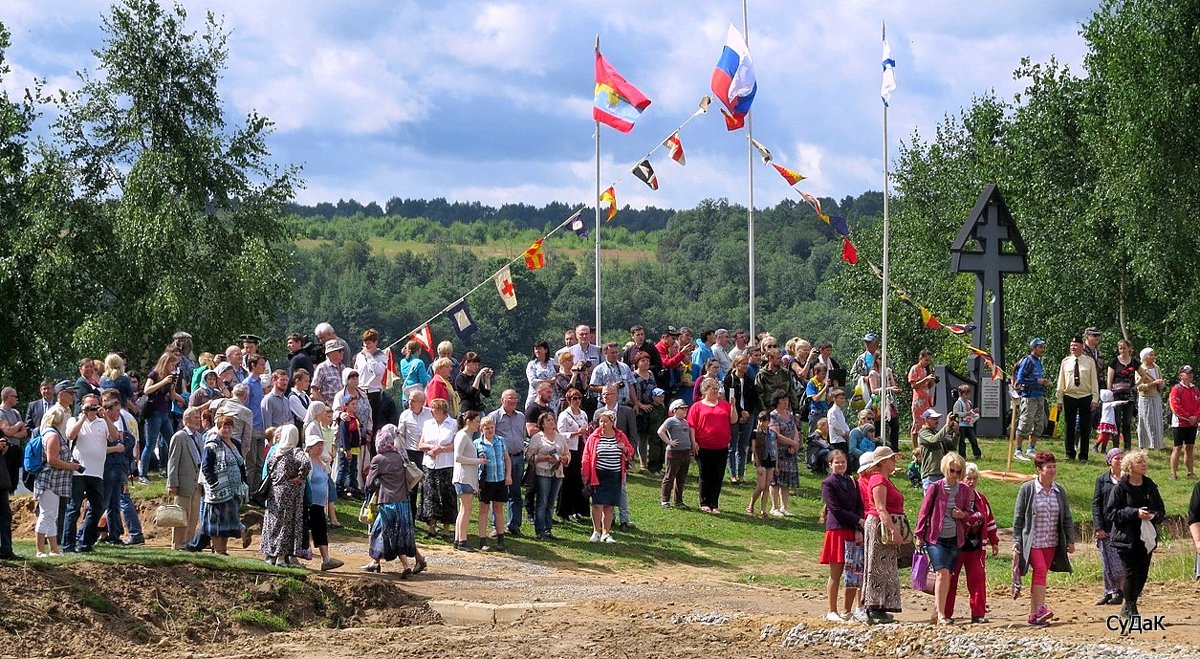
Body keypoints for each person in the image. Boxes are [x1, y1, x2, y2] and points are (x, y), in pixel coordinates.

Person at [1012, 452, 1076, 627]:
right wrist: (1016, 540)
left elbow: (1067, 517)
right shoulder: (1027, 489)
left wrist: (1070, 539)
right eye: (1049, 467)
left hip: (1052, 542)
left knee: (1040, 575)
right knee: (1039, 570)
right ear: (1039, 469)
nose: (1053, 470)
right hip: (1033, 542)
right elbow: (1018, 518)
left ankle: (1034, 616)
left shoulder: (1059, 490)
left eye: (1054, 466)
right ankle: (1041, 609)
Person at [914, 451, 974, 625]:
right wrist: (919, 534)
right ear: (945, 469)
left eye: (958, 471)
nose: (955, 474)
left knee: (947, 576)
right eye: (952, 470)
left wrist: (962, 515)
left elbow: (969, 513)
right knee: (942, 573)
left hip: (955, 538)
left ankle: (937, 610)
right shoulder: (935, 487)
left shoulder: (964, 489)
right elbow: (924, 512)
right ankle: (941, 614)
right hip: (935, 538)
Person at [1105, 449, 1165, 621]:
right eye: (1139, 462)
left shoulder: (1150, 485)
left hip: (1146, 538)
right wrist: (1134, 513)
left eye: (1144, 461)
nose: (1144, 464)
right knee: (1131, 572)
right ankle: (1130, 607)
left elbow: (1161, 509)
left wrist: (1154, 516)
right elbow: (1112, 513)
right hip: (1126, 538)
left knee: (1143, 574)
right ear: (1130, 467)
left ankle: (1129, 602)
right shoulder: (1120, 488)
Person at [362, 425, 427, 576]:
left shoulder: (378, 459)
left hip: (387, 502)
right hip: (403, 501)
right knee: (381, 530)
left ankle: (406, 567)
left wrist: (377, 484)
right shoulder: (399, 456)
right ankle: (375, 562)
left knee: (392, 534)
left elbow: (369, 483)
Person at [62, 393, 118, 553]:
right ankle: (68, 545)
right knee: (74, 508)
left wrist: (105, 417)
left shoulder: (102, 422)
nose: (92, 409)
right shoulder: (74, 420)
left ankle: (85, 543)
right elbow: (70, 435)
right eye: (89, 406)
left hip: (97, 472)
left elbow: (114, 437)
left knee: (97, 507)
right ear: (82, 406)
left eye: (95, 405)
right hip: (79, 471)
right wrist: (83, 417)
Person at [946, 462, 1000, 624]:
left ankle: (978, 614)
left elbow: (989, 521)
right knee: (951, 580)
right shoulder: (953, 497)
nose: (971, 482)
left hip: (975, 546)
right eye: (968, 478)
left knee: (977, 579)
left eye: (975, 478)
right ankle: (946, 613)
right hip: (955, 545)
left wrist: (994, 541)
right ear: (961, 478)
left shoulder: (981, 499)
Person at [858, 446, 904, 624]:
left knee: (885, 566)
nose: (894, 462)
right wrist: (893, 530)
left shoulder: (884, 479)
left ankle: (881, 605)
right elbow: (880, 508)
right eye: (892, 459)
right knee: (877, 566)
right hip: (879, 525)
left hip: (883, 523)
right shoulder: (878, 480)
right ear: (883, 462)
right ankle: (874, 607)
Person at [820, 449, 865, 623]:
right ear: (830, 464)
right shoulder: (828, 483)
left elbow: (859, 505)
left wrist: (858, 527)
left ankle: (847, 610)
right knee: (836, 571)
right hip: (837, 530)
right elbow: (835, 509)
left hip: (852, 530)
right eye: (836, 462)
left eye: (843, 462)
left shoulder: (852, 481)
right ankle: (832, 610)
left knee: (854, 571)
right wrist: (858, 521)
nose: (840, 465)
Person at [260, 425, 310, 567]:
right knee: (286, 525)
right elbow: (306, 463)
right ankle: (281, 558)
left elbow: (269, 469)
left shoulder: (276, 452)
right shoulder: (295, 452)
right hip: (290, 494)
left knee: (273, 523)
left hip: (275, 493)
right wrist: (300, 477)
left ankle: (271, 555)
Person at [581, 409, 633, 543]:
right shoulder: (594, 437)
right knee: (597, 504)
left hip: (614, 475)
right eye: (600, 421)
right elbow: (586, 456)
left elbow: (630, 452)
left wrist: (625, 449)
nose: (602, 424)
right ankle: (596, 531)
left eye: (605, 421)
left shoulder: (620, 436)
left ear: (612, 422)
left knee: (609, 506)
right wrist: (585, 474)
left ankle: (606, 533)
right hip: (598, 475)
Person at [688, 378, 737, 514]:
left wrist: (733, 406)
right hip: (703, 446)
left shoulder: (724, 405)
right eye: (713, 388)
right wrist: (693, 441)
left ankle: (714, 503)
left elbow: (733, 420)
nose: (716, 390)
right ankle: (704, 502)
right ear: (705, 390)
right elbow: (691, 425)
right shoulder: (697, 406)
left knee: (718, 475)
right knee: (705, 474)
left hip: (721, 447)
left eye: (716, 388)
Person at [201, 413, 246, 556]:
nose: (226, 430)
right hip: (217, 491)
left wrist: (244, 482)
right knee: (216, 522)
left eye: (229, 427)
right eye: (224, 427)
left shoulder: (236, 443)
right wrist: (214, 483)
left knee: (227, 521)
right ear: (218, 428)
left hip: (233, 490)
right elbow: (206, 466)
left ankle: (224, 550)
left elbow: (241, 464)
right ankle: (218, 550)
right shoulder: (212, 444)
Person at [33, 406, 76, 557]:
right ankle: (39, 550)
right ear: (59, 420)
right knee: (47, 514)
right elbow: (52, 460)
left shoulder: (49, 433)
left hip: (52, 481)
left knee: (52, 515)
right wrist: (71, 466)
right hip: (50, 480)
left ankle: (54, 549)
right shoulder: (53, 435)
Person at [488, 389, 528, 536]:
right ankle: (495, 526)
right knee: (498, 491)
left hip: (518, 457)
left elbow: (522, 435)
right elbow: (488, 437)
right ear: (502, 400)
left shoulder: (521, 417)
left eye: (515, 398)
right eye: (509, 398)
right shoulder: (494, 416)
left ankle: (514, 525)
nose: (513, 401)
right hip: (500, 459)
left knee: (516, 492)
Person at [142, 352, 186, 479]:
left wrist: (183, 399)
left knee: (172, 440)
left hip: (165, 412)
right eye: (172, 364)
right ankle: (143, 474)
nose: (174, 367)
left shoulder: (170, 376)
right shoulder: (154, 375)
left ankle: (172, 469)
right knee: (151, 443)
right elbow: (147, 390)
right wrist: (163, 382)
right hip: (154, 412)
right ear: (166, 363)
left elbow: (171, 395)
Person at [418, 398, 458, 537]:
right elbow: (421, 444)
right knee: (430, 495)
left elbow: (455, 445)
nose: (432, 412)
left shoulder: (453, 424)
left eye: (434, 410)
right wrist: (430, 448)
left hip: (446, 465)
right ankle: (432, 527)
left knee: (446, 496)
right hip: (429, 464)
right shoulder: (427, 424)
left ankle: (446, 528)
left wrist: (441, 449)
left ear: (442, 411)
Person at [1056, 336, 1100, 462]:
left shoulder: (1089, 361)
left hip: (1085, 396)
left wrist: (1095, 398)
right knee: (1069, 426)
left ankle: (1084, 455)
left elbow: (1094, 381)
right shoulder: (1065, 362)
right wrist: (1059, 399)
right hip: (1069, 396)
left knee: (1084, 427)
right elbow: (1061, 381)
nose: (1072, 347)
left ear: (1082, 347)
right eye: (1071, 345)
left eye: (1075, 345)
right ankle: (1069, 454)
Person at [1092, 447, 1126, 606]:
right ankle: (1109, 591)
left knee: (1120, 561)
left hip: (1123, 527)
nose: (1120, 461)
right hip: (1106, 526)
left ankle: (1121, 591)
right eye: (1117, 458)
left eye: (1122, 458)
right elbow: (1096, 504)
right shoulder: (1102, 480)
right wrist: (1098, 527)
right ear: (1109, 461)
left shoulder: (1128, 479)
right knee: (1107, 562)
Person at [303, 435, 343, 570]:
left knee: (321, 530)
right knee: (305, 530)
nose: (320, 447)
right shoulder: (307, 462)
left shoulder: (321, 462)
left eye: (321, 445)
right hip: (310, 503)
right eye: (317, 445)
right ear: (310, 447)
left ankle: (326, 560)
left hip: (320, 505)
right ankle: (294, 557)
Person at [527, 412, 568, 540]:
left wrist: (561, 458)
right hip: (542, 473)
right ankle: (539, 530)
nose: (551, 422)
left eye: (552, 419)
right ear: (542, 424)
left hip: (558, 473)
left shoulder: (560, 438)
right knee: (542, 501)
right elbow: (529, 457)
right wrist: (545, 458)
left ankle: (548, 529)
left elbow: (567, 454)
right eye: (548, 420)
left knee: (551, 502)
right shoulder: (537, 438)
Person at [474, 416, 511, 551]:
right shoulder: (477, 443)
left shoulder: (501, 441)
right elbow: (475, 464)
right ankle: (483, 539)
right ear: (481, 429)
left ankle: (501, 538)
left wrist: (508, 475)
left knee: (499, 509)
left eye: (492, 428)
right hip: (486, 481)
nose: (490, 430)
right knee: (483, 509)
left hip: (500, 479)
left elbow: (506, 458)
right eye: (487, 428)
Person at [556, 387, 591, 521]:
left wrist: (585, 431)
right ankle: (564, 511)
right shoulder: (564, 415)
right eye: (574, 398)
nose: (577, 401)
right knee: (567, 480)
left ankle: (578, 510)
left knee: (579, 480)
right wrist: (576, 433)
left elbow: (586, 428)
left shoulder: (583, 414)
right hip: (569, 450)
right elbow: (560, 434)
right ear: (568, 400)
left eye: (579, 398)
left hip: (581, 448)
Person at [451, 411, 483, 552]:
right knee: (466, 509)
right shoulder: (463, 436)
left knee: (464, 509)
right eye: (476, 421)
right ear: (468, 421)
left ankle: (458, 539)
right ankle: (462, 540)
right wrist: (478, 461)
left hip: (466, 477)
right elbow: (458, 457)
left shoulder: (466, 436)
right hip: (463, 477)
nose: (478, 424)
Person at [1013, 339, 1049, 461]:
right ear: (1033, 348)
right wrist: (1036, 381)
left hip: (1039, 395)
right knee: (1025, 423)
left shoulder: (1038, 361)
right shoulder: (1027, 361)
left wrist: (1044, 382)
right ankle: (1018, 450)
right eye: (1040, 347)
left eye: (1043, 347)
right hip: (1029, 396)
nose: (1042, 350)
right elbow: (1020, 379)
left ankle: (1031, 449)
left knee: (1038, 424)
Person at [769, 389, 801, 517]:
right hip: (778, 452)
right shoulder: (773, 416)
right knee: (776, 480)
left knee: (786, 481)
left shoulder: (790, 415)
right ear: (777, 401)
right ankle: (774, 506)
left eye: (787, 399)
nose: (786, 402)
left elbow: (795, 431)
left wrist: (795, 444)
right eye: (783, 399)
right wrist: (792, 443)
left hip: (789, 453)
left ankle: (784, 506)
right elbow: (775, 435)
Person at [658, 399, 695, 508]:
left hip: (685, 452)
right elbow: (660, 431)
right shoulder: (670, 421)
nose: (685, 411)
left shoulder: (685, 422)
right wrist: (669, 442)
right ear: (675, 410)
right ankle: (665, 500)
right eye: (682, 408)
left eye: (685, 409)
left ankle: (678, 500)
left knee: (681, 478)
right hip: (674, 453)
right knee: (670, 476)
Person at [1107, 339, 1143, 451]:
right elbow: (1109, 379)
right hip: (1116, 395)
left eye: (1124, 348)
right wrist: (1110, 394)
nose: (1122, 350)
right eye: (1120, 348)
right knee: (1116, 421)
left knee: (1127, 422)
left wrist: (1136, 385)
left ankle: (1128, 448)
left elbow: (1143, 375)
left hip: (1129, 395)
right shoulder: (1114, 362)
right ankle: (1116, 447)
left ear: (1129, 348)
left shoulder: (1134, 362)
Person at [1169, 364, 1200, 480]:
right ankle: (1173, 473)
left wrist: (1196, 417)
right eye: (1187, 373)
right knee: (1177, 447)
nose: (1190, 375)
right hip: (1179, 423)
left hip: (1193, 423)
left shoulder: (1196, 389)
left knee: (1190, 447)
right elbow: (1175, 406)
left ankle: (1190, 472)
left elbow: (1199, 405)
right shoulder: (1176, 389)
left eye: (1191, 373)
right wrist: (1189, 417)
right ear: (1181, 375)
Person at [917, 409, 958, 491]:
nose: (937, 421)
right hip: (930, 474)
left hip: (942, 473)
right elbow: (933, 440)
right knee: (931, 502)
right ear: (925, 419)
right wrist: (947, 426)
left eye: (937, 419)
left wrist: (955, 433)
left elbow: (952, 446)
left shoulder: (937, 433)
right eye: (934, 419)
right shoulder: (923, 433)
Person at [1135, 348, 1165, 450]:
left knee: (1157, 420)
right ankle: (1145, 444)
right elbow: (1139, 387)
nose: (1153, 357)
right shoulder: (1140, 369)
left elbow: (1160, 380)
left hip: (1156, 396)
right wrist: (1153, 384)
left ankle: (1158, 444)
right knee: (1146, 420)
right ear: (1145, 357)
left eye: (1153, 355)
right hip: (1145, 398)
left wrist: (1161, 384)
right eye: (1151, 355)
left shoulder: (1156, 367)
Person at [747, 411, 776, 518]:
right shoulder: (755, 433)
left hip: (771, 460)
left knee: (767, 486)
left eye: (764, 421)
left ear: (768, 422)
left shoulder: (772, 433)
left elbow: (774, 448)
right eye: (760, 420)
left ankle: (763, 510)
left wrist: (776, 465)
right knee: (761, 486)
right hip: (761, 461)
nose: (761, 423)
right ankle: (751, 505)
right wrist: (757, 464)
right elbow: (754, 449)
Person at [908, 349, 937, 448]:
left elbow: (928, 386)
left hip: (927, 401)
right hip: (918, 402)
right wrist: (925, 379)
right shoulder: (914, 369)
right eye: (926, 360)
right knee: (917, 425)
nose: (927, 362)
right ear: (921, 358)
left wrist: (932, 381)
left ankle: (924, 445)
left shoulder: (927, 370)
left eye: (929, 361)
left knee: (927, 423)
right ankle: (915, 449)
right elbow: (913, 385)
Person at [952, 384, 981, 459]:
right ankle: (962, 456)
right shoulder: (958, 403)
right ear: (960, 394)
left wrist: (974, 412)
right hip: (961, 425)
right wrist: (966, 413)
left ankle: (977, 455)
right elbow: (956, 414)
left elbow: (970, 411)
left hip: (969, 424)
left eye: (968, 394)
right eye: (965, 395)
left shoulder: (969, 402)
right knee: (961, 441)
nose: (967, 396)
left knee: (973, 440)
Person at [526, 340, 557, 409]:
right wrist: (550, 381)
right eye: (536, 349)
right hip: (536, 397)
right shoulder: (532, 364)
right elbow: (533, 382)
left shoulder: (553, 362)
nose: (537, 351)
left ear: (546, 350)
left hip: (551, 398)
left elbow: (558, 375)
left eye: (539, 348)